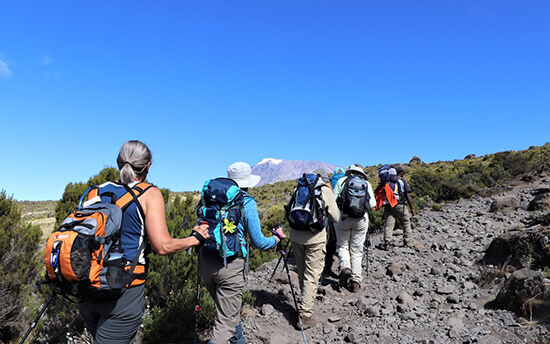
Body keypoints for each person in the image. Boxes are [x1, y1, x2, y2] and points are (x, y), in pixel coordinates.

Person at [77, 140, 210, 344]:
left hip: (88, 288)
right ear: (148, 166)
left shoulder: (95, 192)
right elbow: (162, 246)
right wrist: (195, 239)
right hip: (123, 290)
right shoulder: (149, 194)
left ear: (118, 162)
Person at [201, 162, 285, 344]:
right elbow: (259, 242)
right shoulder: (246, 201)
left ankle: (239, 341)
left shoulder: (210, 198)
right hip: (230, 266)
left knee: (227, 311)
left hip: (206, 262)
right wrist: (276, 239)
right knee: (225, 324)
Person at [289, 172, 340, 329]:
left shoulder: (299, 188)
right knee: (312, 275)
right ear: (324, 180)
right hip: (315, 238)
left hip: (295, 235)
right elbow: (336, 217)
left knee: (302, 271)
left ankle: (305, 301)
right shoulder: (324, 190)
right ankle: (305, 314)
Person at [333, 165, 376, 293]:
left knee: (343, 246)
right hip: (361, 220)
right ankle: (355, 282)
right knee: (357, 250)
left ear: (349, 173)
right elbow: (373, 205)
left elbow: (334, 200)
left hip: (343, 218)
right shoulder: (366, 184)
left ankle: (345, 267)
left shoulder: (342, 181)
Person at [382, 166, 415, 250]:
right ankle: (407, 241)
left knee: (389, 224)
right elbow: (407, 195)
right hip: (400, 205)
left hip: (389, 206)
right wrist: (412, 208)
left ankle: (387, 243)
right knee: (406, 222)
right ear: (401, 173)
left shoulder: (387, 182)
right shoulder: (401, 181)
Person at [324, 167, 345, 276]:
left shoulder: (332, 180)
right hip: (348, 215)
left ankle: (327, 265)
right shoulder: (347, 180)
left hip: (334, 213)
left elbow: (332, 198)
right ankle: (345, 267)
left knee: (332, 239)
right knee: (345, 243)